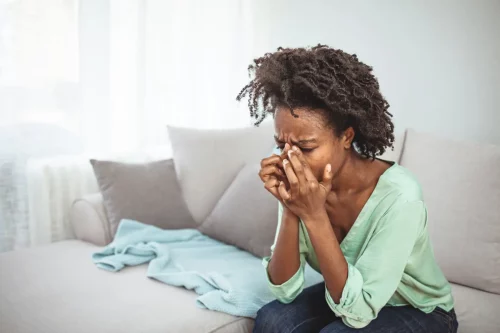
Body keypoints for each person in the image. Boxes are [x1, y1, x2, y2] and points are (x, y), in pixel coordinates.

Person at [237, 45, 457, 333]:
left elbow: (359, 312)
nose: (290, 158)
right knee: (272, 320)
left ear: (346, 136)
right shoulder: (301, 184)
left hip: (418, 308)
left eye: (306, 147)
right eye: (281, 145)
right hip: (349, 289)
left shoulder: (400, 196)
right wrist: (291, 207)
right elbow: (284, 290)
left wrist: (314, 216)